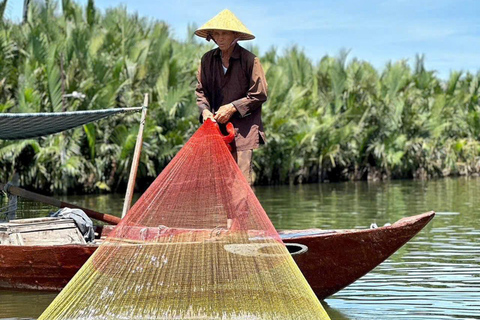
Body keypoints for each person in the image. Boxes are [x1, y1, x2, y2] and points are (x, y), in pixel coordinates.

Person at [194, 9, 268, 187]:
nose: (219, 38)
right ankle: (229, 216)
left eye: (224, 34)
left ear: (234, 35)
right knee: (222, 181)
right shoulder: (207, 60)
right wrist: (205, 112)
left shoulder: (250, 60)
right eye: (216, 34)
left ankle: (239, 216)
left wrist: (232, 107)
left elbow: (259, 93)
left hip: (244, 128)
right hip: (217, 128)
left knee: (241, 182)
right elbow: (201, 92)